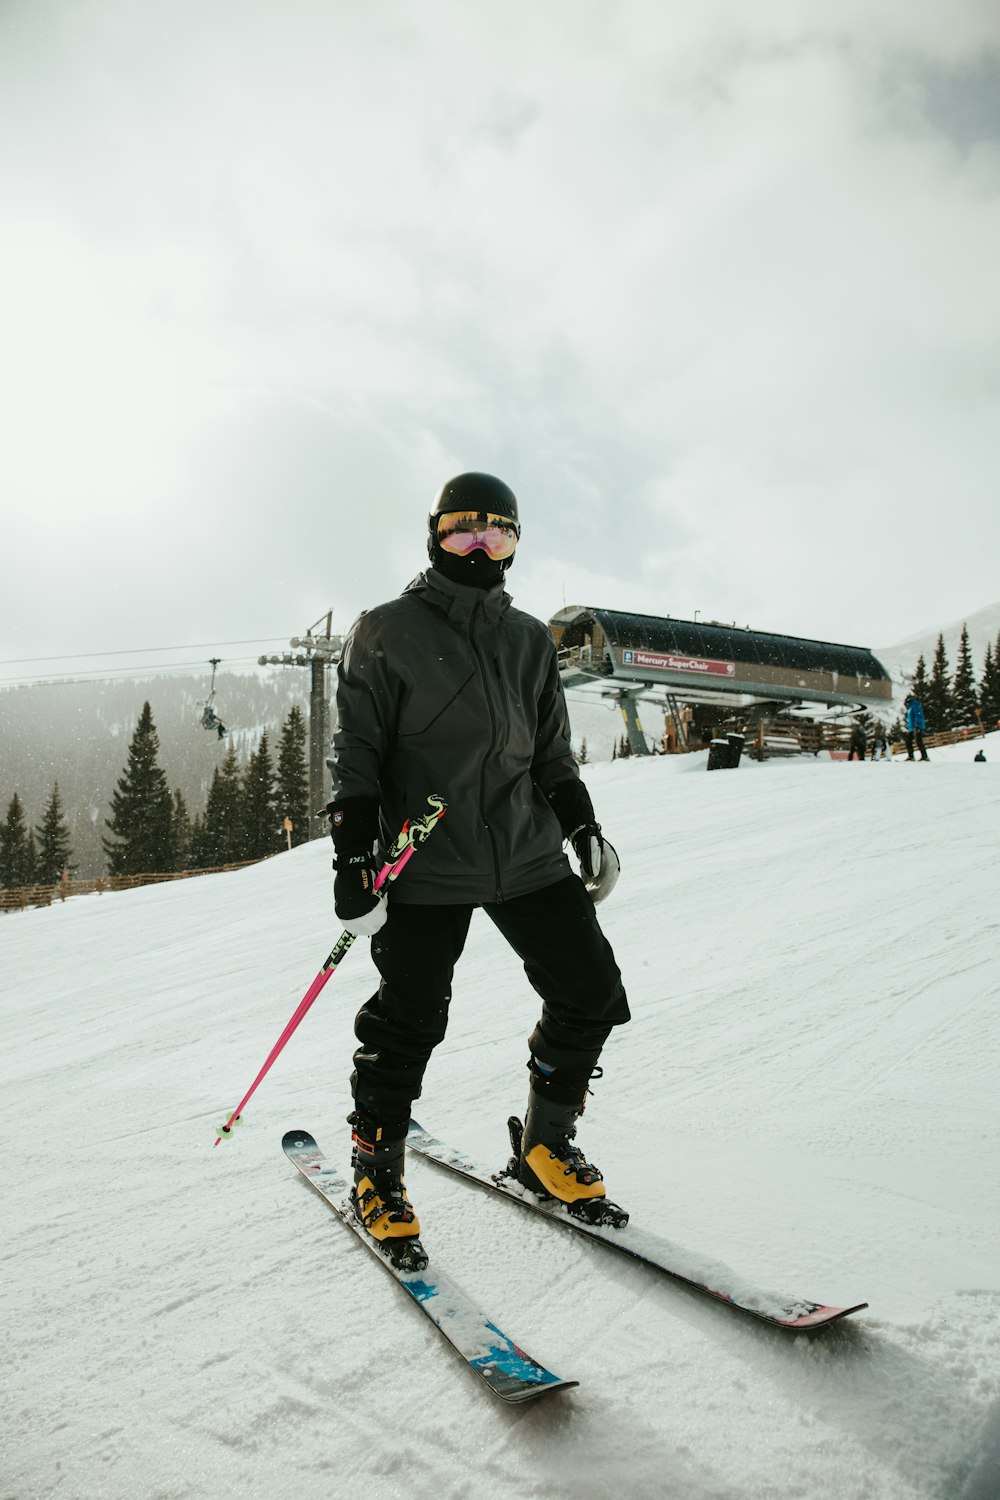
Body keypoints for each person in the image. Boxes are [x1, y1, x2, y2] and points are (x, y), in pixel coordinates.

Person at [326, 473, 629, 1268]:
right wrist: (353, 858)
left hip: (527, 851)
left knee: (591, 990)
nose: (482, 548)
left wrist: (583, 825)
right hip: (427, 856)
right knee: (411, 1017)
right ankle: (375, 1169)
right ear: (434, 534)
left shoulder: (529, 638)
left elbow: (552, 753)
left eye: (500, 534)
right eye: (465, 531)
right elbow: (355, 757)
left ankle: (545, 1144)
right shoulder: (383, 631)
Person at [904, 695, 930, 761]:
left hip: (917, 727)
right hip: (912, 728)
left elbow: (919, 715)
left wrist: (918, 724)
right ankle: (911, 756)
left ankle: (924, 756)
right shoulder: (910, 708)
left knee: (918, 741)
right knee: (908, 741)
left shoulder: (915, 705)